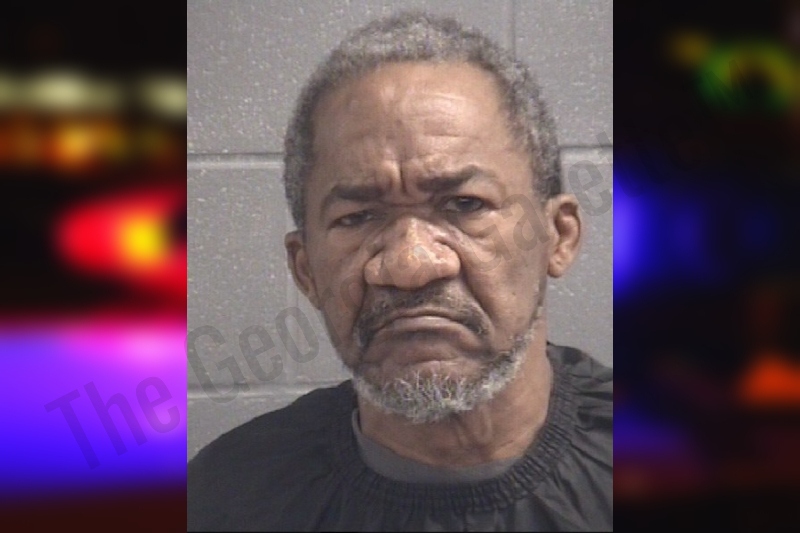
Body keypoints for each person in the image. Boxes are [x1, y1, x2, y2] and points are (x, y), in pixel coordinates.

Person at [188, 11, 612, 531]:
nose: (410, 266)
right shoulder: (227, 500)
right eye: (358, 217)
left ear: (558, 236)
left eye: (464, 204)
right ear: (306, 270)